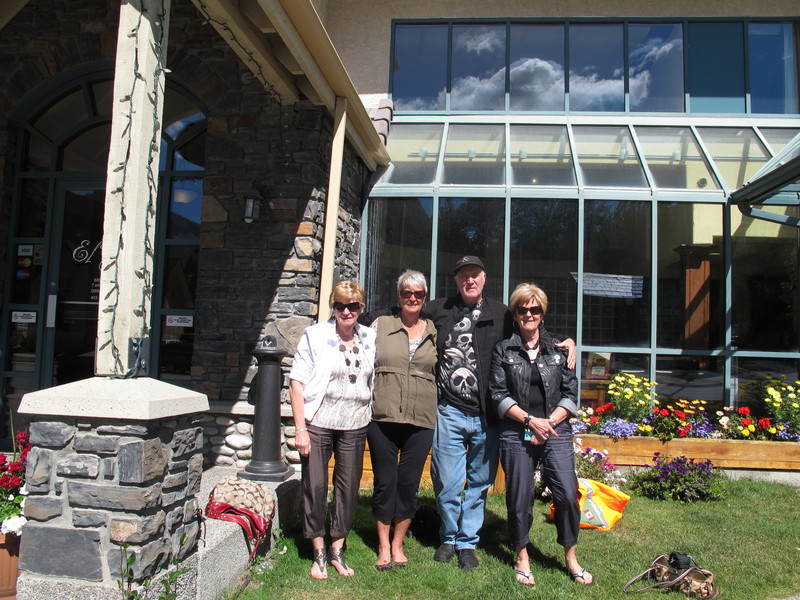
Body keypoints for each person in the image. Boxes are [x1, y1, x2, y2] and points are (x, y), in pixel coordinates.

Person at [425, 256, 576, 570]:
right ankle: (448, 536)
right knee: (447, 481)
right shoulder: (440, 309)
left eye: (475, 275)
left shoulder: (503, 313)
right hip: (450, 410)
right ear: (456, 281)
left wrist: (568, 342)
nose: (469, 280)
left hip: (487, 416)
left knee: (479, 483)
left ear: (484, 279)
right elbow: (405, 312)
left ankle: (467, 542)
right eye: (464, 276)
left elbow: (533, 330)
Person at [489, 282, 592, 587]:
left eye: (534, 309)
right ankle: (522, 555)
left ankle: (571, 556)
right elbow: (498, 394)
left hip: (555, 430)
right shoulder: (504, 349)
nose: (529, 314)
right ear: (515, 314)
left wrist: (547, 424)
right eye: (522, 309)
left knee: (567, 494)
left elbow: (571, 394)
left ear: (542, 312)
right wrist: (530, 421)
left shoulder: (560, 349)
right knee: (519, 496)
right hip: (516, 431)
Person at [289, 281, 377, 580]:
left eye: (353, 306)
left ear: (360, 307)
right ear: (333, 307)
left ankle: (337, 548)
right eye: (340, 306)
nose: (346, 312)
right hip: (318, 423)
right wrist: (300, 429)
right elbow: (297, 383)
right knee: (314, 485)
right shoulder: (315, 335)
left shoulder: (369, 337)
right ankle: (318, 551)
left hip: (355, 424)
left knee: (348, 488)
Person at [368, 270, 438, 571]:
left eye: (418, 294)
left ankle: (398, 544)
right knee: (386, 481)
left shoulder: (435, 330)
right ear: (399, 296)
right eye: (406, 293)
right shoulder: (381, 325)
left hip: (421, 420)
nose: (412, 298)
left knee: (408, 483)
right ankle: (383, 546)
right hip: (382, 417)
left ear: (424, 298)